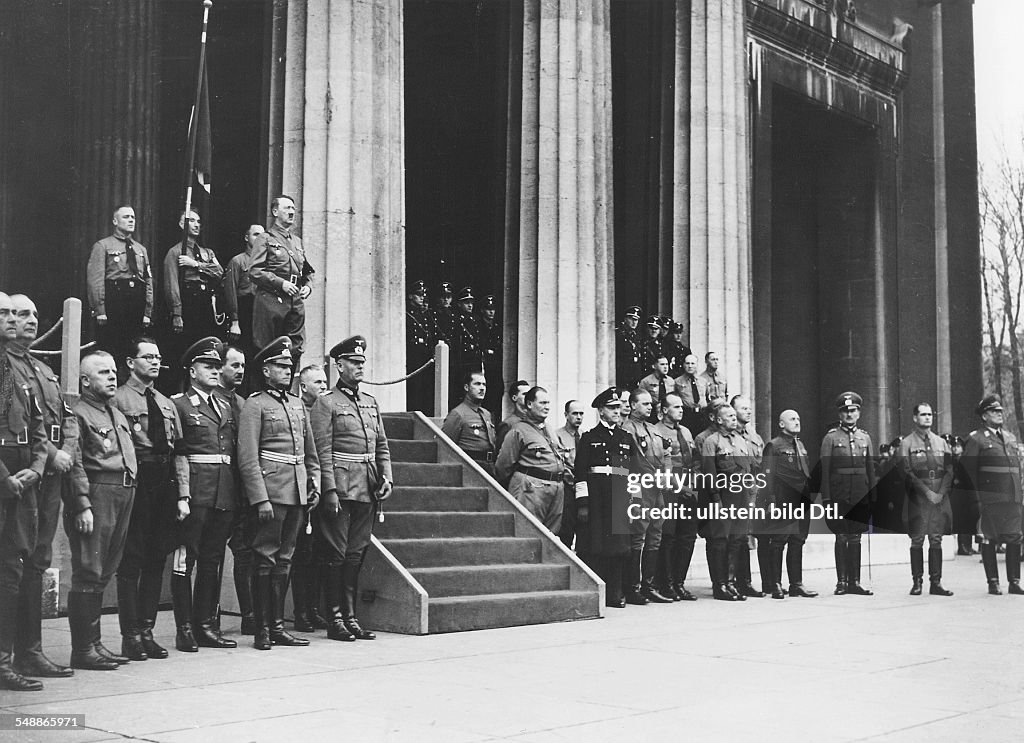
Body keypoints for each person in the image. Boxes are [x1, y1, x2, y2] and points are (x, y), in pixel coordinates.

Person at [5, 295, 77, 680]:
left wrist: (64, 450)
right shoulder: (6, 367)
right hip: (24, 472)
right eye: (20, 314)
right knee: (13, 564)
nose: (30, 320)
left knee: (38, 561)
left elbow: (68, 417)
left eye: (34, 313)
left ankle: (30, 652)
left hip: (48, 476)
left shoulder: (43, 368)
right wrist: (49, 455)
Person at [237, 336, 320, 650]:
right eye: (281, 366)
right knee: (264, 559)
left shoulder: (297, 405)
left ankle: (277, 626)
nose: (288, 371)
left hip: (297, 492)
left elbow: (309, 452)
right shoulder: (255, 405)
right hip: (271, 493)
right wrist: (259, 498)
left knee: (285, 560)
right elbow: (248, 457)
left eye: (290, 366)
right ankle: (262, 629)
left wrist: (313, 483)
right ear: (266, 370)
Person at [311, 335, 393, 641]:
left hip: (367, 486)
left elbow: (381, 444)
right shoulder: (326, 403)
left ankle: (350, 616)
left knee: (356, 554)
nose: (359, 367)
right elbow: (322, 450)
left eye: (362, 362)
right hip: (341, 487)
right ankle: (335, 618)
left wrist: (386, 477)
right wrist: (329, 490)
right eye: (353, 362)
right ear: (339, 365)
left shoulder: (370, 403)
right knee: (336, 553)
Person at [65, 352, 137, 671]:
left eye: (113, 370)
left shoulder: (115, 413)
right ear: (85, 381)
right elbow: (76, 462)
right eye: (103, 372)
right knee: (89, 568)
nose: (112, 376)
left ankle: (94, 644)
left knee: (105, 569)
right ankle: (82, 648)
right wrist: (82, 503)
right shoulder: (78, 413)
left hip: (123, 492)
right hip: (98, 492)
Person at [170, 338, 241, 652]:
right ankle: (184, 627)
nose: (215, 371)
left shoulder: (225, 405)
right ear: (191, 370)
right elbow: (178, 453)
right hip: (196, 492)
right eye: (208, 366)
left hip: (223, 493)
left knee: (212, 561)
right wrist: (182, 495)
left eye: (216, 366)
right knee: (186, 560)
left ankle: (205, 626)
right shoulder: (179, 404)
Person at [112, 338, 181, 660]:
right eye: (147, 357)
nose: (155, 362)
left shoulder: (166, 403)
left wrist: (182, 493)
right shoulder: (119, 399)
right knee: (132, 560)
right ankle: (130, 635)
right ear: (130, 362)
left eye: (158, 357)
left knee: (156, 559)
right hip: (137, 482)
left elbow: (178, 451)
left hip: (163, 485)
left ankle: (147, 630)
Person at [0, 293, 48, 691]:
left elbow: (38, 425)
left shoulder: (24, 369)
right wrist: (6, 478)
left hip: (21, 477)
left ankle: (7, 659)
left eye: (25, 314)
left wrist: (35, 467)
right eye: (9, 313)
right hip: (4, 477)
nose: (17, 320)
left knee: (13, 570)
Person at [574, 388, 636, 608]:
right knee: (597, 546)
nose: (617, 412)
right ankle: (598, 590)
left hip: (619, 496)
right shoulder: (589, 438)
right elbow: (580, 472)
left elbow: (634, 471)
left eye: (618, 407)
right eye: (612, 408)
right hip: (597, 498)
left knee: (619, 547)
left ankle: (616, 591)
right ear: (601, 411)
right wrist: (583, 503)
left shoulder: (626, 438)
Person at [960, 395, 1023, 595]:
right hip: (990, 500)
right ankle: (993, 582)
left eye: (1000, 411)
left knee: (1014, 538)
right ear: (984, 415)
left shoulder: (1010, 437)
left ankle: (1014, 581)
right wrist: (975, 501)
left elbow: (1018, 468)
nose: (999, 414)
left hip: (1012, 498)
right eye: (994, 411)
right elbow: (967, 473)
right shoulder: (976, 439)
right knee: (989, 539)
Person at [819, 391, 875, 596]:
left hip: (860, 494)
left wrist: (872, 496)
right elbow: (825, 471)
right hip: (838, 494)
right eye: (845, 411)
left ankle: (855, 582)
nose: (849, 414)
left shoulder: (865, 438)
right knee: (841, 536)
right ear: (840, 414)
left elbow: (870, 469)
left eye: (853, 410)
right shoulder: (831, 438)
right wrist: (826, 498)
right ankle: (841, 582)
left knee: (856, 537)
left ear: (859, 413)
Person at [215, 345, 254, 633]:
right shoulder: (209, 400)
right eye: (234, 365)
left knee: (244, 552)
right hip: (216, 488)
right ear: (220, 368)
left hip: (241, 491)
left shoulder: (244, 404)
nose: (240, 371)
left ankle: (249, 616)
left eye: (242, 366)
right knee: (211, 554)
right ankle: (208, 615)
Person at [896, 403, 954, 597]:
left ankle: (936, 582)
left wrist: (940, 493)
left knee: (936, 539)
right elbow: (905, 471)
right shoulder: (907, 443)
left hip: (938, 498)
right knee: (917, 539)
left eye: (930, 414)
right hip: (918, 499)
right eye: (923, 415)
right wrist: (926, 492)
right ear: (915, 418)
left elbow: (949, 471)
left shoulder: (941, 443)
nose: (927, 418)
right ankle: (917, 582)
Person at [619, 390, 671, 604]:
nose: (650, 407)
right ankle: (633, 587)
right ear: (632, 405)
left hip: (656, 488)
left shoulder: (653, 429)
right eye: (645, 404)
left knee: (655, 532)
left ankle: (649, 585)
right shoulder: (627, 428)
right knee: (638, 533)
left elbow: (666, 454)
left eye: (651, 404)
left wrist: (666, 475)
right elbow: (637, 461)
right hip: (639, 486)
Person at [86, 205, 154, 368]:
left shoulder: (140, 249)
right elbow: (95, 279)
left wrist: (147, 312)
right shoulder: (103, 246)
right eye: (126, 217)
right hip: (114, 301)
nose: (131, 220)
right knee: (112, 347)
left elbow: (148, 280)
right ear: (115, 221)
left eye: (133, 217)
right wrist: (100, 309)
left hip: (136, 303)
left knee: (133, 348)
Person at [760, 409, 818, 599]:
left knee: (798, 540)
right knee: (778, 541)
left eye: (798, 418)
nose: (797, 421)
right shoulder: (774, 446)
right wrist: (770, 501)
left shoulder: (800, 444)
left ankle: (796, 584)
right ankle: (775, 583)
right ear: (781, 424)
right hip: (783, 499)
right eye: (792, 419)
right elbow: (767, 475)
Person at [700, 403, 755, 601]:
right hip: (723, 497)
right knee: (720, 541)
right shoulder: (711, 442)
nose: (734, 418)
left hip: (741, 496)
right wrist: (715, 498)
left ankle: (731, 583)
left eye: (734, 415)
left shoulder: (741, 440)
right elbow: (709, 472)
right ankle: (720, 585)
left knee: (737, 539)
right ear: (719, 420)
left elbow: (749, 469)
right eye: (729, 416)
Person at [249, 196, 314, 360]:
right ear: (275, 211)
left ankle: (287, 386)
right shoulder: (265, 238)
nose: (291, 212)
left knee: (295, 350)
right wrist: (281, 283)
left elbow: (307, 271)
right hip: (272, 301)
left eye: (293, 208)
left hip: (294, 302)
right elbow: (255, 271)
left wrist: (308, 285)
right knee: (269, 351)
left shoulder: (297, 242)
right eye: (287, 208)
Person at [495, 387, 565, 533]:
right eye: (542, 403)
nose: (547, 407)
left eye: (548, 403)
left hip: (555, 489)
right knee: (528, 533)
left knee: (550, 537)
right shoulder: (518, 430)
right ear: (529, 404)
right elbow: (503, 466)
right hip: (532, 489)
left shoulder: (550, 430)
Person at [291, 364, 329, 632]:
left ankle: (313, 609)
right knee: (301, 555)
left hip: (321, 488)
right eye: (318, 382)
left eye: (325, 382)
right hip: (298, 489)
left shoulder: (326, 410)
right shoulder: (296, 409)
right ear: (303, 386)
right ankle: (300, 612)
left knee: (318, 553)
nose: (324, 387)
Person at [653, 393, 699, 601]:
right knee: (668, 536)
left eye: (682, 406)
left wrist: (694, 483)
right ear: (664, 410)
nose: (681, 410)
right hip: (670, 489)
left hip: (689, 486)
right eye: (676, 407)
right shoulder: (656, 431)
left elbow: (695, 460)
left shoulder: (686, 431)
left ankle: (680, 582)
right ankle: (666, 582)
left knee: (687, 536)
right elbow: (659, 465)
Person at [162, 210, 225, 342]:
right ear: (181, 224)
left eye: (198, 221)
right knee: (188, 341)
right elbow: (172, 284)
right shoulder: (175, 252)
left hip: (205, 301)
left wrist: (196, 264)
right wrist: (177, 313)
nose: (196, 225)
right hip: (188, 301)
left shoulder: (207, 252)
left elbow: (219, 271)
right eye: (191, 221)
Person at [733, 395, 767, 598]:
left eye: (749, 408)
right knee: (739, 537)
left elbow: (760, 464)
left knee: (751, 535)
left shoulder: (754, 436)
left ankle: (747, 581)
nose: (748, 411)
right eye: (743, 408)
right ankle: (737, 581)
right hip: (737, 491)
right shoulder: (729, 436)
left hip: (754, 489)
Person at [441, 371, 496, 472]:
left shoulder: (486, 414)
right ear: (466, 387)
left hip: (489, 466)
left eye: (484, 384)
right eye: (477, 384)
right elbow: (445, 447)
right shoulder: (457, 414)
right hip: (470, 467)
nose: (482, 388)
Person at [226, 224, 265, 356]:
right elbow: (230, 292)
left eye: (262, 235)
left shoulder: (268, 263)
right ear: (246, 237)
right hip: (245, 311)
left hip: (262, 312)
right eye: (255, 235)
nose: (259, 238)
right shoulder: (237, 261)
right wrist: (235, 322)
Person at [555, 400, 585, 549]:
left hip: (583, 489)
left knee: (584, 530)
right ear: (566, 415)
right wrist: (575, 483)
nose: (579, 417)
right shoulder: (557, 436)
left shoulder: (586, 436)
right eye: (575, 413)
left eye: (581, 414)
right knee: (566, 528)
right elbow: (560, 464)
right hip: (568, 488)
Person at [405, 279, 435, 414]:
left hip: (425, 358)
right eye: (418, 294)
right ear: (411, 296)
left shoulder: (425, 316)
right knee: (415, 389)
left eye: (423, 294)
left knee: (425, 388)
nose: (422, 297)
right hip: (413, 358)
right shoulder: (406, 314)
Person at [478, 295, 503, 422]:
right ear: (483, 310)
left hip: (495, 367)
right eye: (488, 309)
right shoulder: (478, 327)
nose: (491, 312)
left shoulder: (497, 328)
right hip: (484, 365)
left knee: (496, 396)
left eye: (493, 309)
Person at [673, 354, 704, 436]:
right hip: (687, 416)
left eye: (693, 363)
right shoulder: (677, 382)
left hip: (702, 416)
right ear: (683, 365)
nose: (690, 366)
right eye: (687, 363)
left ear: (697, 365)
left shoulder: (703, 381)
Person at [495, 379, 531, 451]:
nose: (529, 397)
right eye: (524, 394)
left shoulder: (534, 421)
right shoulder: (508, 424)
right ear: (514, 398)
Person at [638, 356, 675, 423]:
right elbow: (640, 400)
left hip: (667, 412)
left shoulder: (671, 381)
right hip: (652, 413)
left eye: (667, 364)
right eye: (662, 364)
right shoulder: (646, 381)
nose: (665, 367)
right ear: (654, 366)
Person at [615, 305, 643, 390]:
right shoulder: (619, 334)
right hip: (622, 374)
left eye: (636, 320)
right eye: (632, 319)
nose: (634, 322)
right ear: (625, 319)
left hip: (633, 376)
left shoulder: (635, 337)